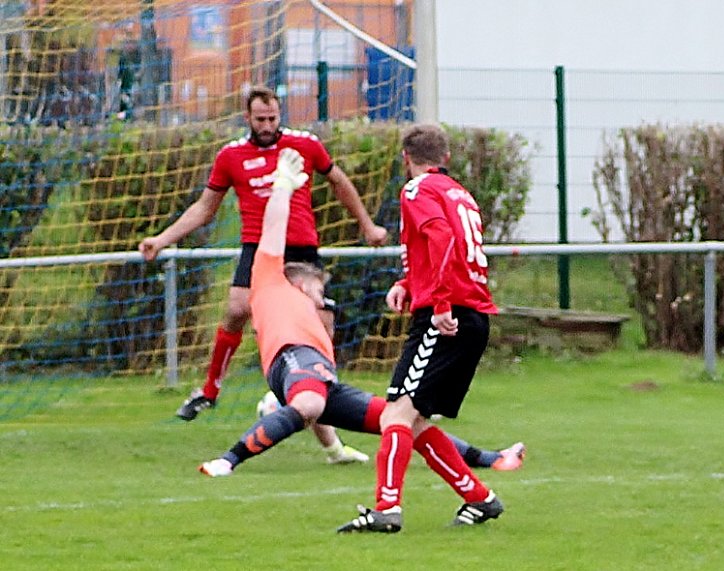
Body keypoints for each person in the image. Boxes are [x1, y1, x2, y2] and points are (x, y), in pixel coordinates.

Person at [197, 148, 524, 481]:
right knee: (309, 402)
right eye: (317, 290)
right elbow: (273, 229)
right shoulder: (269, 281)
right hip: (291, 359)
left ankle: (490, 458)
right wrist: (282, 186)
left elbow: (319, 401)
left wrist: (333, 449)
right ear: (298, 282)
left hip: (314, 378)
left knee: (400, 419)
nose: (321, 298)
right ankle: (227, 461)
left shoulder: (316, 324)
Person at [138, 85, 386, 463]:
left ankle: (326, 437)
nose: (268, 125)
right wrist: (162, 239)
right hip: (260, 249)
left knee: (317, 332)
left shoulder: (304, 145)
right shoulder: (232, 156)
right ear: (247, 118)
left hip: (301, 248)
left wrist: (367, 225)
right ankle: (210, 390)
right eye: (261, 119)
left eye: (273, 118)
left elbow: (338, 181)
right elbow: (205, 208)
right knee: (237, 308)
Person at [337, 124, 502, 534]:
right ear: (444, 158)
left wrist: (441, 303)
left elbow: (440, 239)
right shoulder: (459, 192)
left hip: (447, 317)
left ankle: (387, 509)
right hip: (470, 315)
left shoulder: (416, 190)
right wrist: (408, 284)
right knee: (414, 420)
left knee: (397, 413)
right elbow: (447, 250)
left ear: (405, 158)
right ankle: (480, 498)